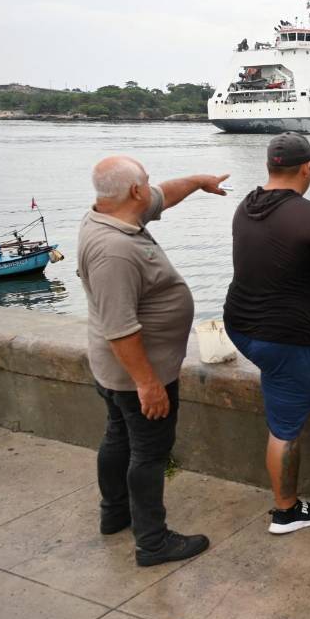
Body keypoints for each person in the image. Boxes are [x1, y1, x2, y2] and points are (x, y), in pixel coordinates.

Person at [78, 156, 230, 566]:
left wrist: (199, 180)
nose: (152, 186)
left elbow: (165, 195)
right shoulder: (114, 251)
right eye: (146, 181)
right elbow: (120, 328)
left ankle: (114, 514)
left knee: (118, 436)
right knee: (148, 453)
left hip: (114, 370)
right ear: (134, 191)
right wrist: (147, 384)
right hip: (137, 374)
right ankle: (152, 542)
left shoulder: (110, 214)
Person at [223, 133, 310, 534]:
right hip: (281, 336)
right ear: (306, 168)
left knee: (293, 381)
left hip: (240, 325)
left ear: (270, 166)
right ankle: (286, 510)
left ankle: (292, 386)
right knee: (285, 427)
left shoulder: (246, 207)